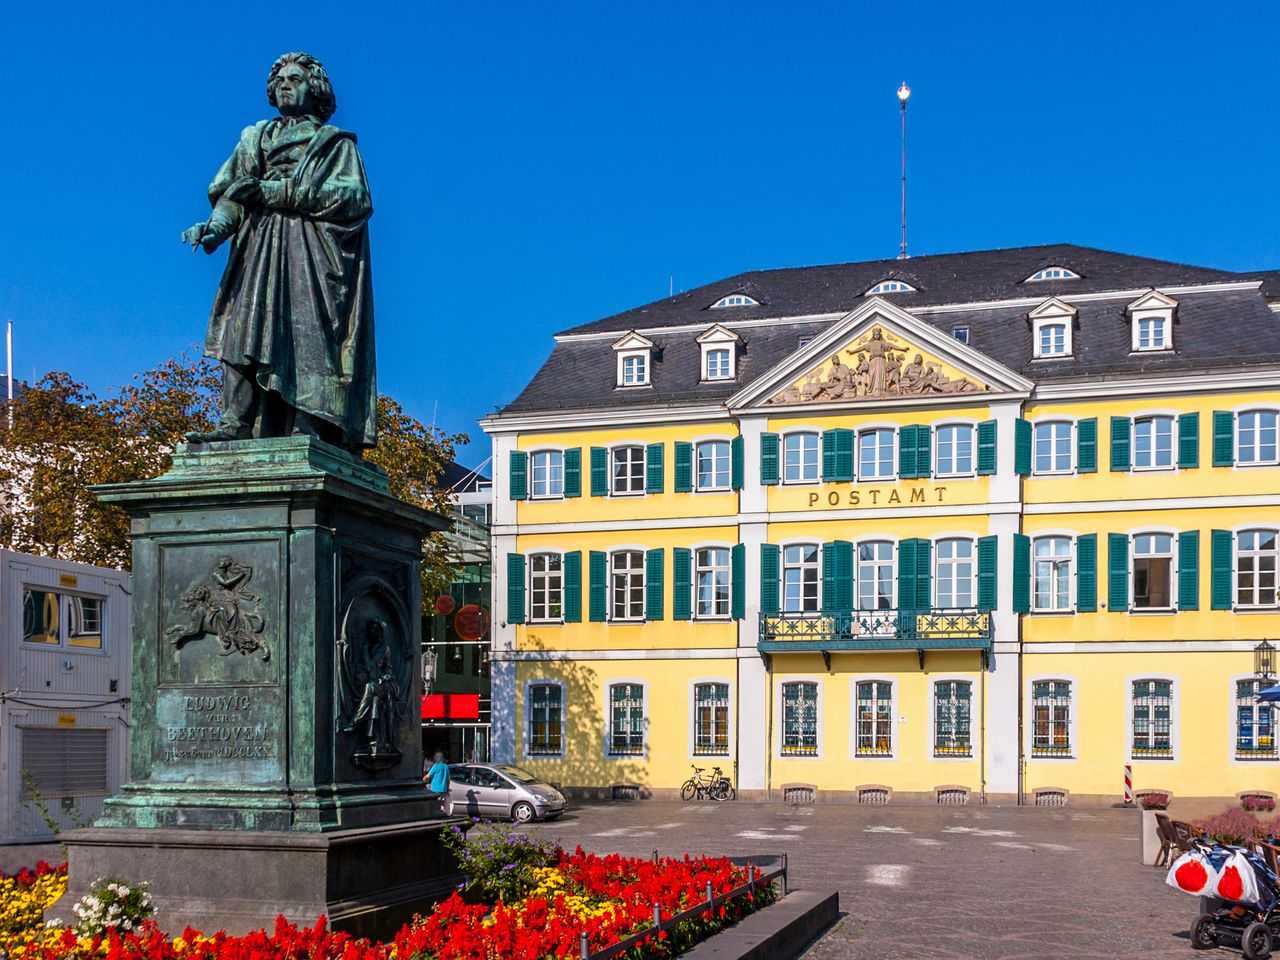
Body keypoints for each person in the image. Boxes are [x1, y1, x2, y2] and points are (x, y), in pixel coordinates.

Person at [181, 52, 377, 450]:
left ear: (315, 89)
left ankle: (310, 423)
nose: (285, 85)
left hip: (310, 252)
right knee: (242, 328)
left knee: (308, 336)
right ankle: (234, 421)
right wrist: (214, 230)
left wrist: (280, 192)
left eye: (295, 79)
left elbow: (354, 197)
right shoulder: (255, 138)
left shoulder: (335, 145)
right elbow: (232, 196)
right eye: (280, 80)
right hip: (258, 247)